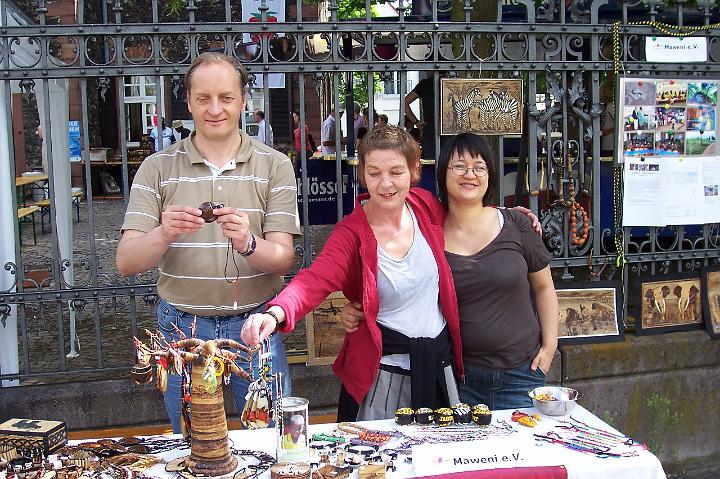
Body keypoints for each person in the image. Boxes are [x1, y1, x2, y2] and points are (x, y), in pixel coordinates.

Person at [116, 52, 299, 433]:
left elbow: (283, 259)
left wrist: (249, 242)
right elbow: (127, 262)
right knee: (194, 445)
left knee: (273, 440)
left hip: (255, 325)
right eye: (203, 98)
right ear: (188, 101)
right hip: (182, 330)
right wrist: (164, 233)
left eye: (226, 97)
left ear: (243, 100)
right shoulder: (157, 168)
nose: (215, 109)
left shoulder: (275, 165)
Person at [241, 125, 463, 422]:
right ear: (363, 175)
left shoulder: (425, 206)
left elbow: (469, 223)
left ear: (413, 171)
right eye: (374, 173)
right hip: (382, 375)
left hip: (437, 365)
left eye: (396, 172)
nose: (386, 184)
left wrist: (511, 220)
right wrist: (275, 313)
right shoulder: (352, 232)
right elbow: (315, 279)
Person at [340, 133, 557, 411]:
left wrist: (550, 346)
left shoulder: (516, 223)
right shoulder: (428, 229)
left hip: (521, 374)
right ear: (443, 173)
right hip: (457, 376)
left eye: (479, 167)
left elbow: (544, 287)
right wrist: (356, 308)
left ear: (489, 175)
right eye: (459, 166)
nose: (470, 174)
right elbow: (401, 282)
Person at [405, 71, 439, 159]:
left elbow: (405, 102)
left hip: (430, 131)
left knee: (430, 164)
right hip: (450, 132)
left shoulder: (425, 84)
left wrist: (416, 121)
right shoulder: (450, 82)